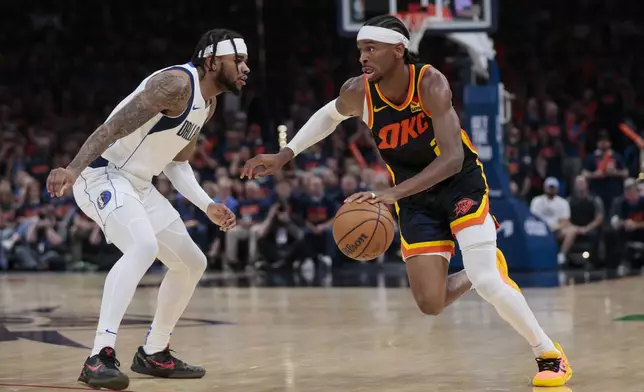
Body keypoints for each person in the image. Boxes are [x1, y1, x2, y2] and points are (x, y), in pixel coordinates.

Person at [241, 15, 572, 388]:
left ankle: (549, 354)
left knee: (488, 283)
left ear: (398, 51)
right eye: (360, 50)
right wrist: (286, 153)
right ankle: (487, 264)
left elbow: (451, 160)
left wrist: (391, 193)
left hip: (459, 184)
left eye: (371, 49)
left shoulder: (430, 83)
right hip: (414, 198)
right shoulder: (359, 91)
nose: (363, 58)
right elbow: (328, 117)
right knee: (431, 302)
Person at [46, 29, 247, 390]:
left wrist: (207, 205)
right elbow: (111, 127)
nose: (246, 68)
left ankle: (154, 352)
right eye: (239, 60)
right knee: (143, 246)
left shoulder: (209, 103)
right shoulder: (174, 84)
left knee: (193, 262)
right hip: (101, 174)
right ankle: (99, 356)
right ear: (213, 61)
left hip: (139, 185)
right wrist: (73, 169)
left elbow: (176, 163)